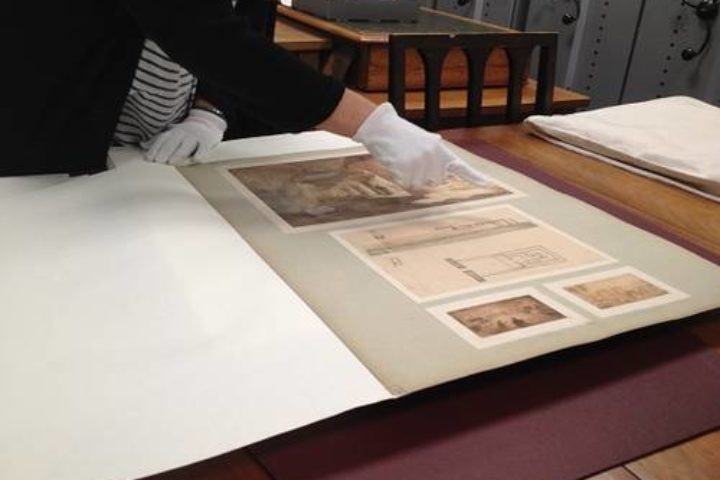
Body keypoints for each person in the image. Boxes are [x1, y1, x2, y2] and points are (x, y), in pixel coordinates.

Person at [4, 0, 486, 191]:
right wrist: (371, 123)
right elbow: (204, 34)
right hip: (47, 143)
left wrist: (210, 111)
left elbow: (246, 30)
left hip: (149, 162)